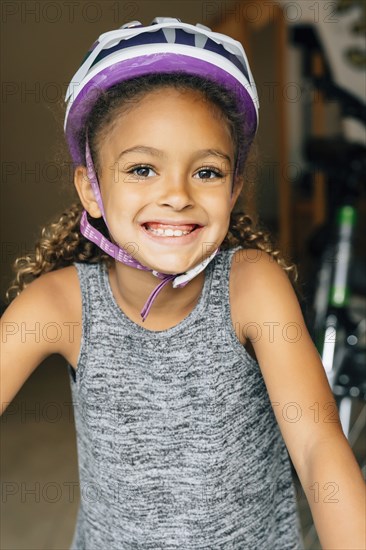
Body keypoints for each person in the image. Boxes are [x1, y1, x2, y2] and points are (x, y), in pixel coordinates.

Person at [1, 17, 365, 550]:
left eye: (208, 172)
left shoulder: (251, 289)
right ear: (92, 189)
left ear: (235, 186)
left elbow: (317, 448)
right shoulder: (61, 306)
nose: (177, 194)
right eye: (143, 169)